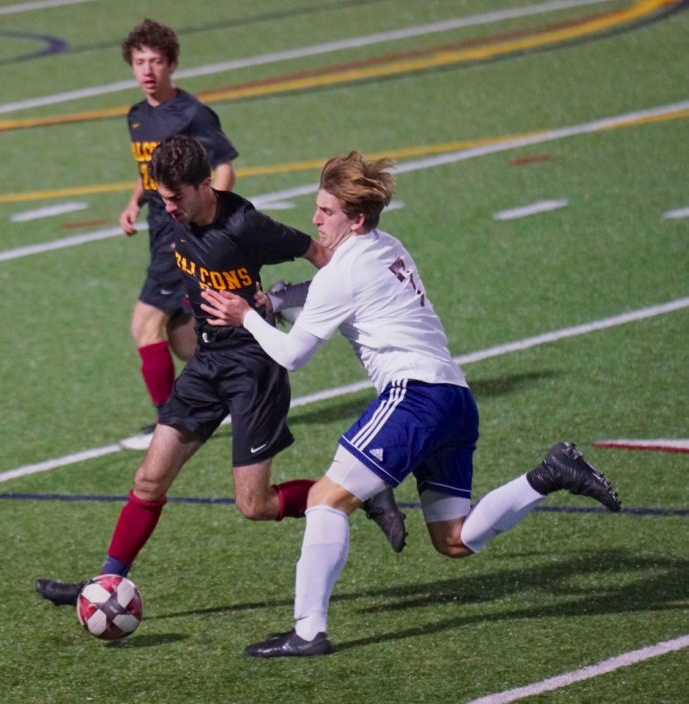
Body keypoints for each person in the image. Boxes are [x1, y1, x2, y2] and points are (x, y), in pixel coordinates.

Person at [201, 151, 622, 657]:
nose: (314, 219)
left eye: (326, 211)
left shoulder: (344, 270)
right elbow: (333, 291)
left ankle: (308, 630)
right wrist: (280, 301)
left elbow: (292, 355)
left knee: (324, 501)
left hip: (413, 397)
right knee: (455, 540)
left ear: (354, 218)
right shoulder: (386, 245)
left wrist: (246, 315)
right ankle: (548, 474)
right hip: (456, 401)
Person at [35, 138, 407, 608]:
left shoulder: (247, 225)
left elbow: (321, 255)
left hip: (254, 368)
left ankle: (361, 493)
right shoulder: (176, 216)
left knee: (255, 506)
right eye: (161, 197)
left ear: (205, 185)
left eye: (175, 198)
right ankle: (105, 583)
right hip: (206, 363)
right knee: (149, 479)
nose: (166, 208)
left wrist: (350, 305)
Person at [118, 18, 239, 450]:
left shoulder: (191, 113)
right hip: (156, 234)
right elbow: (149, 171)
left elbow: (223, 165)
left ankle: (170, 423)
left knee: (144, 324)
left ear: (171, 64)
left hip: (180, 235)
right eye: (139, 62)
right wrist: (134, 201)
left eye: (155, 61)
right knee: (187, 341)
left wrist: (210, 216)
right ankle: (248, 374)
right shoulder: (136, 117)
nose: (147, 69)